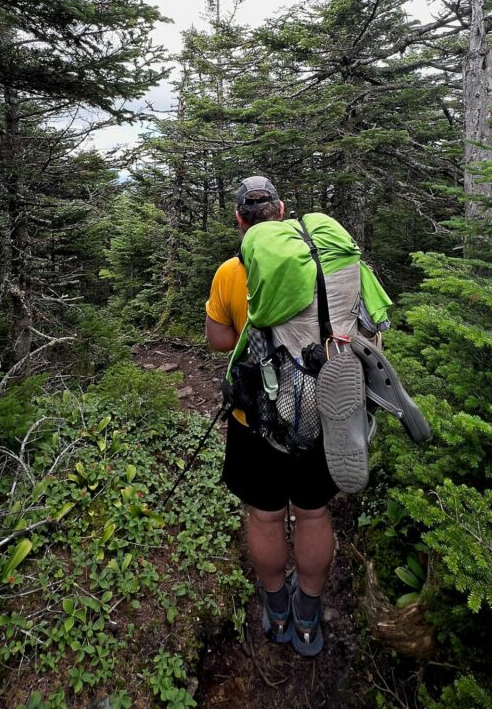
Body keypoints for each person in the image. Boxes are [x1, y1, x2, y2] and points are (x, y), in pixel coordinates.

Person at [205, 176, 341, 657]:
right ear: (282, 213)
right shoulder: (324, 261)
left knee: (265, 516)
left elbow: (220, 341)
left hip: (254, 419)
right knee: (314, 512)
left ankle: (276, 607)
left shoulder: (230, 272)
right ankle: (308, 618)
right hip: (320, 413)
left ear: (241, 221)